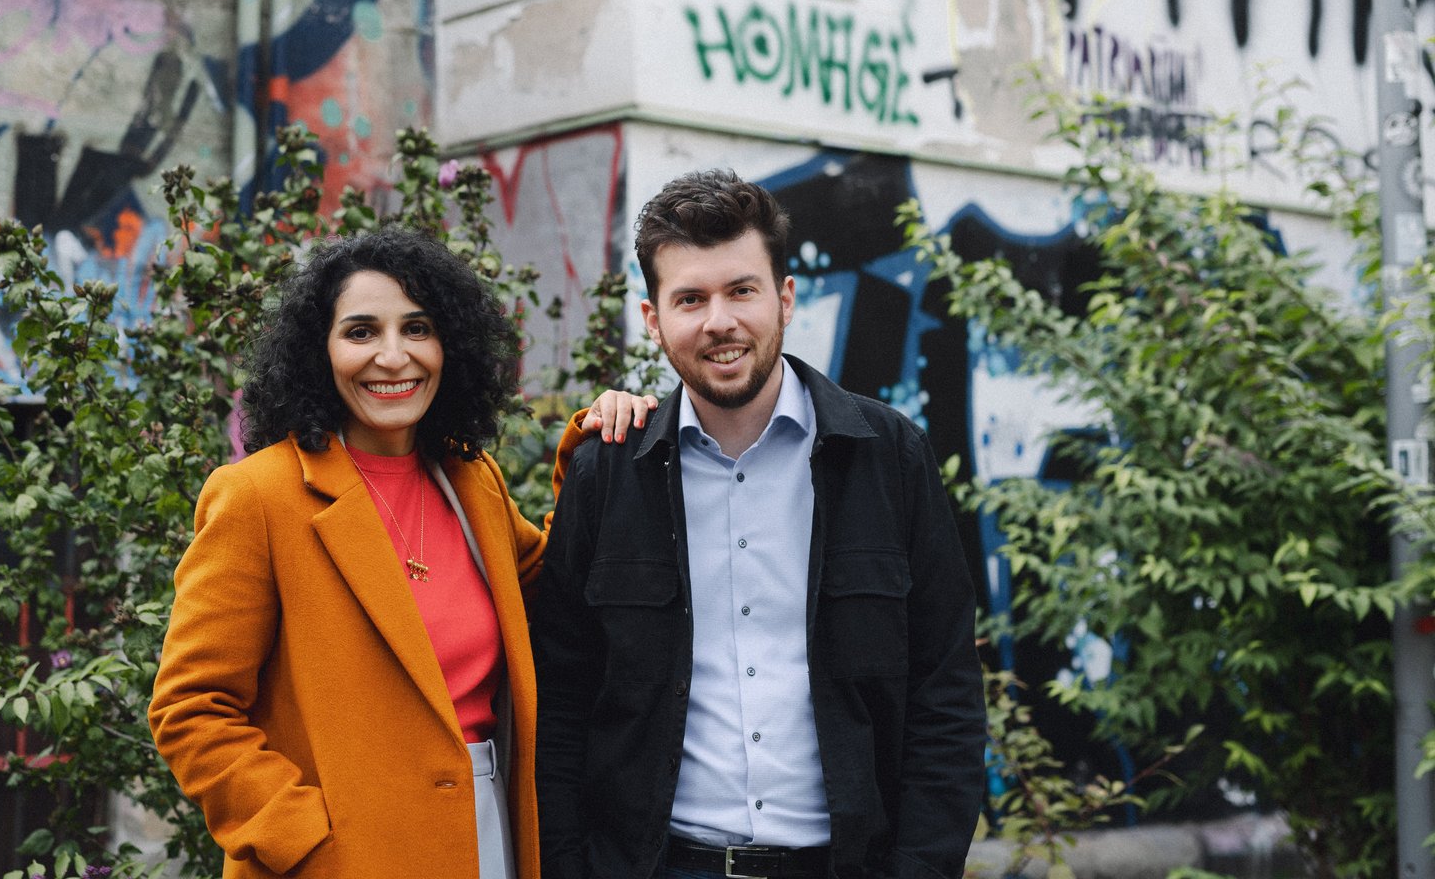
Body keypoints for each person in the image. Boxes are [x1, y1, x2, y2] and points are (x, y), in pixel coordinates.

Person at [148, 225, 651, 879]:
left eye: (417, 329)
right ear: (319, 351)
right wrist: (300, 837)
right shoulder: (257, 497)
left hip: (490, 834)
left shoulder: (472, 480)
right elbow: (191, 708)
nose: (393, 356)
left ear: (450, 346)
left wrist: (594, 450)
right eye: (361, 332)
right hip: (341, 858)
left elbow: (558, 585)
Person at [531, 170, 985, 879]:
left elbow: (945, 690)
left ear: (785, 298)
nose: (719, 321)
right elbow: (559, 699)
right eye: (690, 299)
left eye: (742, 290)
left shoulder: (889, 457)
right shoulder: (608, 474)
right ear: (653, 319)